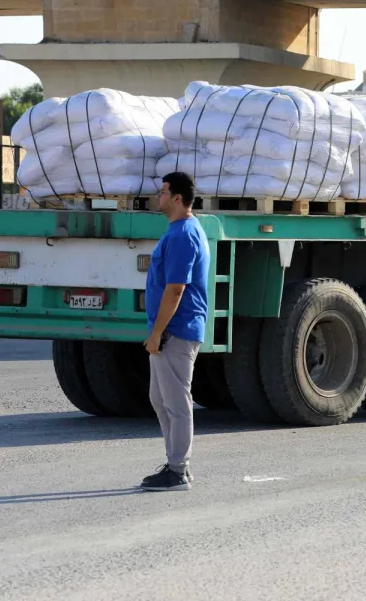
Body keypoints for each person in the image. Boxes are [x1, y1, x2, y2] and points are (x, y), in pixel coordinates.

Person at [140, 171, 210, 492]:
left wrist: (157, 332)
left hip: (176, 331)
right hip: (171, 330)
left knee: (177, 403)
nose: (159, 196)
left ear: (177, 198)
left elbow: (176, 289)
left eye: (163, 192)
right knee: (160, 399)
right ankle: (175, 462)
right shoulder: (179, 230)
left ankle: (178, 471)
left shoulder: (183, 234)